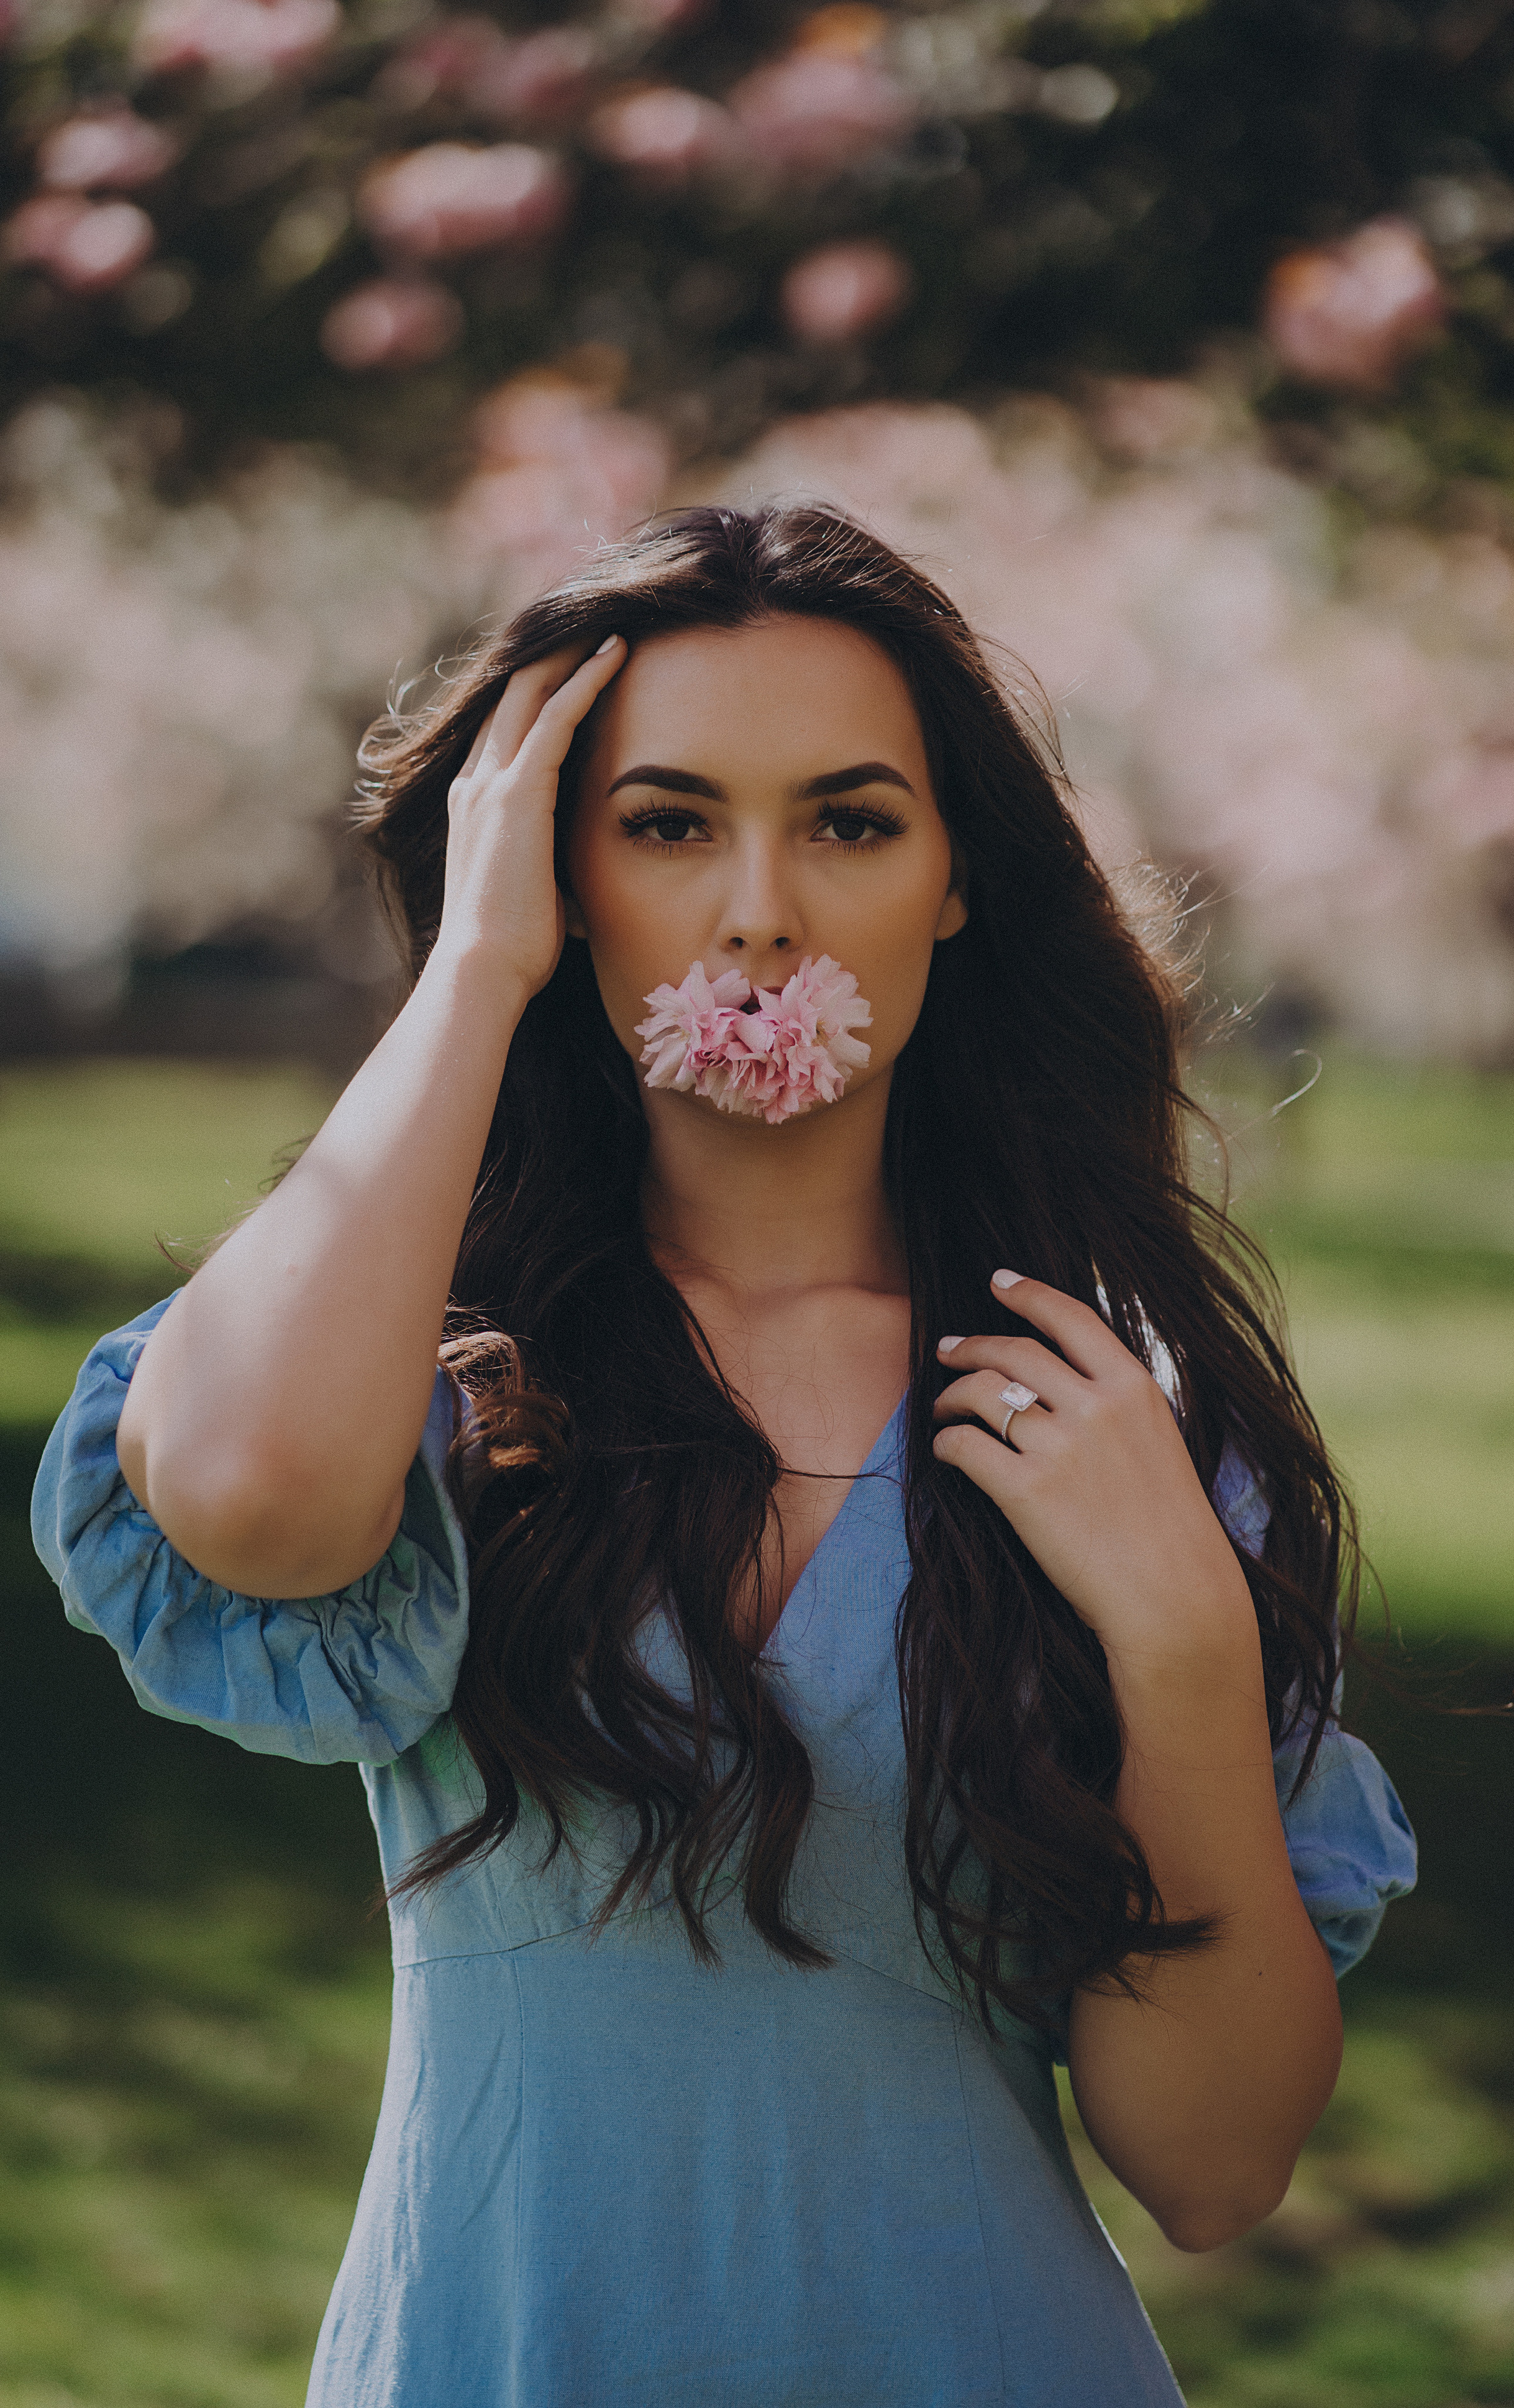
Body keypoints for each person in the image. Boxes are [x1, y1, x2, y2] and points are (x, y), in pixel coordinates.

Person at [33, 505, 1415, 2407]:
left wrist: (1179, 1640)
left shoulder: (1107, 1425)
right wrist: (478, 969)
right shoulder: (421, 1359)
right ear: (566, 866)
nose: (762, 910)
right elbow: (257, 1498)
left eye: (851, 822)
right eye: (667, 824)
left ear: (952, 880)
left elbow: (1214, 2164)